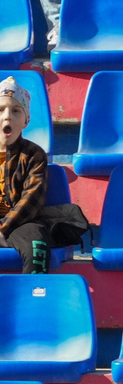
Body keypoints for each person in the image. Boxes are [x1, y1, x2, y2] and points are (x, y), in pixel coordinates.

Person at [0, 79, 84, 270]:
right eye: (1, 110)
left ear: (26, 120)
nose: (7, 117)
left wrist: (3, 228)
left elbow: (32, 199)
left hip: (19, 223)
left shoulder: (33, 154)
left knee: (37, 243)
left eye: (16, 111)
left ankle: (34, 295)